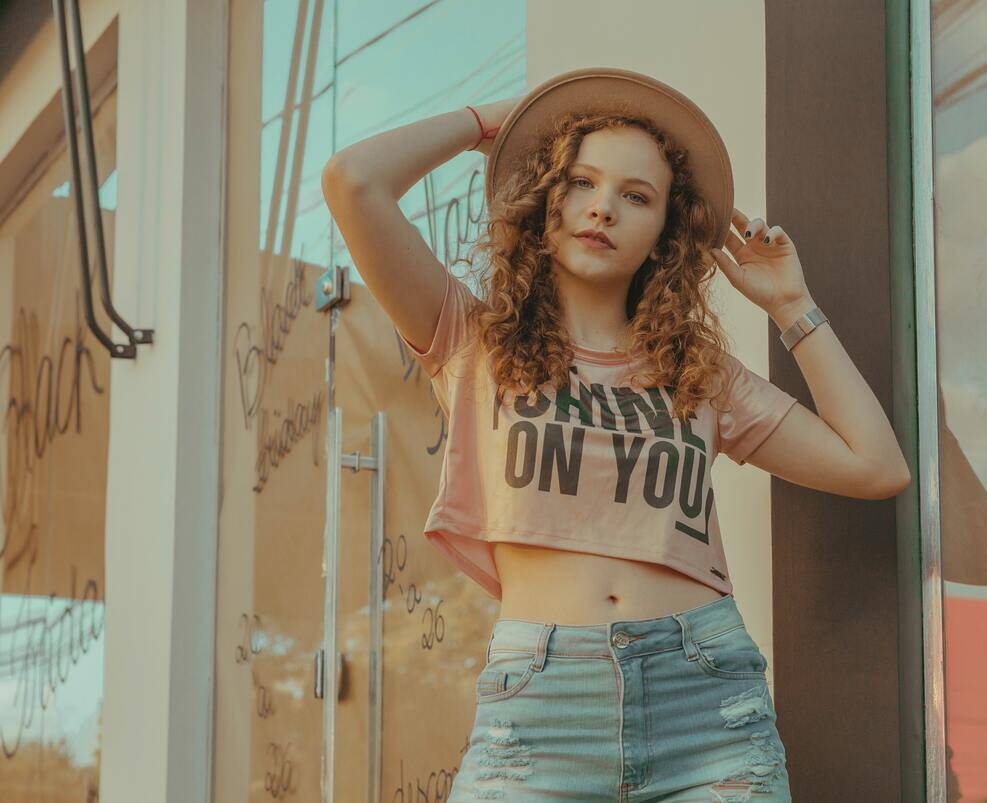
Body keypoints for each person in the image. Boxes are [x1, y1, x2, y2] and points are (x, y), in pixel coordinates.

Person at [322, 67, 909, 802]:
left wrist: (791, 303)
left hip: (706, 701)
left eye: (636, 196)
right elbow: (353, 182)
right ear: (545, 200)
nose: (603, 208)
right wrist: (497, 121)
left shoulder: (698, 373)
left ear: (666, 232)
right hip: (538, 710)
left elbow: (875, 465)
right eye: (579, 182)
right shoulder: (474, 341)